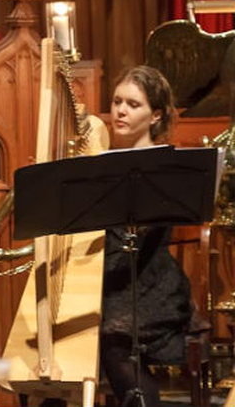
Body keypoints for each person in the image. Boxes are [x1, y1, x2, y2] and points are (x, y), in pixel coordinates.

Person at [100, 65, 194, 406]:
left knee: (114, 340)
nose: (120, 110)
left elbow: (144, 241)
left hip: (152, 282)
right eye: (116, 101)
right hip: (111, 279)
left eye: (133, 104)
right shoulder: (96, 165)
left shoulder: (165, 168)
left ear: (156, 115)